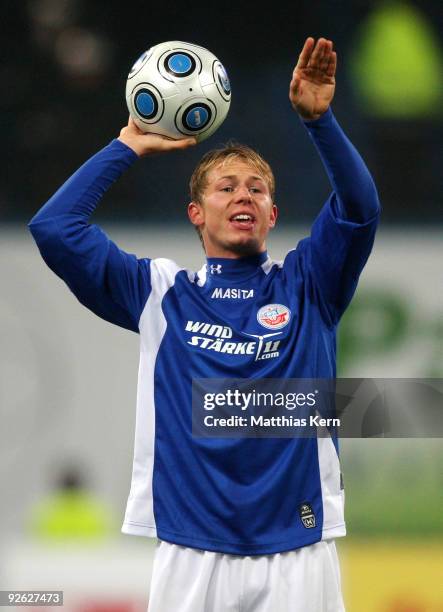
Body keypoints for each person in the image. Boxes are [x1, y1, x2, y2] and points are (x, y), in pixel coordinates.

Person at [29, 37, 380, 612]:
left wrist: (320, 123)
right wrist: (126, 146)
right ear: (197, 213)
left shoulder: (309, 283)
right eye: (226, 187)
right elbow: (55, 228)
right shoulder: (159, 294)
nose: (242, 195)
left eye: (257, 189)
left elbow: (360, 209)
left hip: (299, 547)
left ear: (272, 214)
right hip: (191, 552)